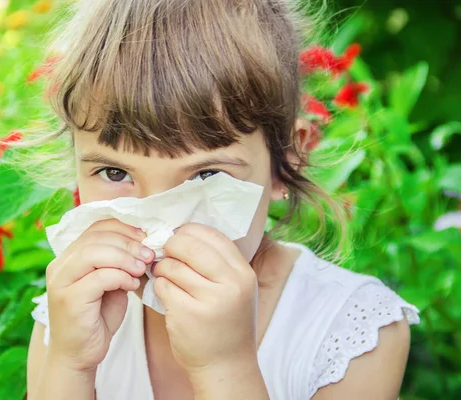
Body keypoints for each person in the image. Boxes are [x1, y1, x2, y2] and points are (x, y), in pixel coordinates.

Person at [25, 0, 420, 398]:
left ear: (285, 161)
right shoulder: (69, 315)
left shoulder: (352, 327)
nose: (158, 225)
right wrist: (70, 364)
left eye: (205, 176)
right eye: (115, 173)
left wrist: (224, 365)